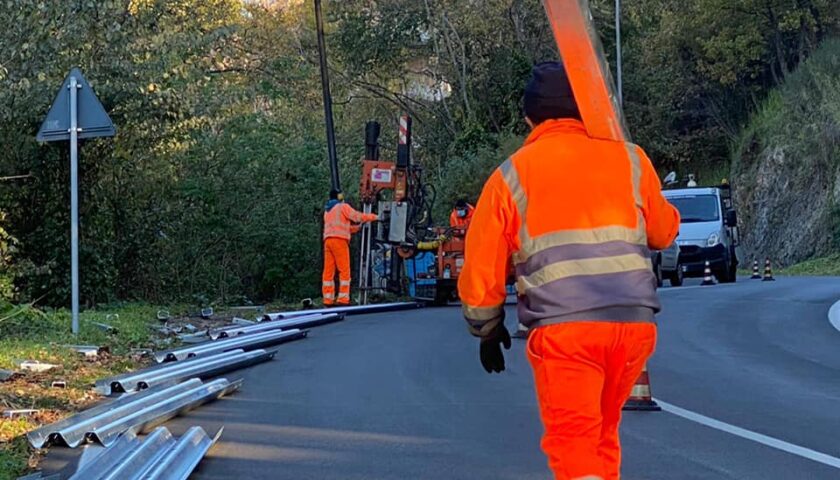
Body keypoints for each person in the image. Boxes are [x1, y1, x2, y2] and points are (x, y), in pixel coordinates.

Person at [457, 62, 680, 480]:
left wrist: (486, 328)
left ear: (529, 118)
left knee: (574, 442)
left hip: (567, 330)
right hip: (633, 326)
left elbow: (482, 265)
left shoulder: (511, 175)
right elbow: (663, 232)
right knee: (602, 436)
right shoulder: (631, 158)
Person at [322, 189, 378, 306]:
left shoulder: (328, 210)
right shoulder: (343, 207)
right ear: (339, 196)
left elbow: (339, 227)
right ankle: (343, 299)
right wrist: (374, 217)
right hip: (339, 242)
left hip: (328, 241)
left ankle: (328, 299)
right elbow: (357, 216)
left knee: (328, 272)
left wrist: (356, 228)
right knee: (344, 271)